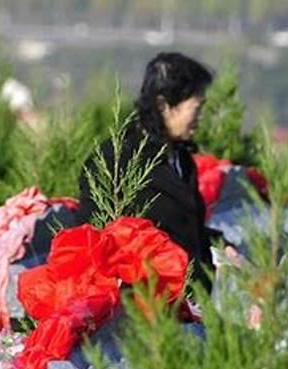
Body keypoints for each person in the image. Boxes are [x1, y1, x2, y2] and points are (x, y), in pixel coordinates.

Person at [77, 52, 216, 288]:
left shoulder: (180, 157)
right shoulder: (117, 160)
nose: (200, 118)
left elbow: (189, 230)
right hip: (143, 300)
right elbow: (96, 237)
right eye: (196, 108)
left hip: (187, 297)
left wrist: (222, 249)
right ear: (164, 105)